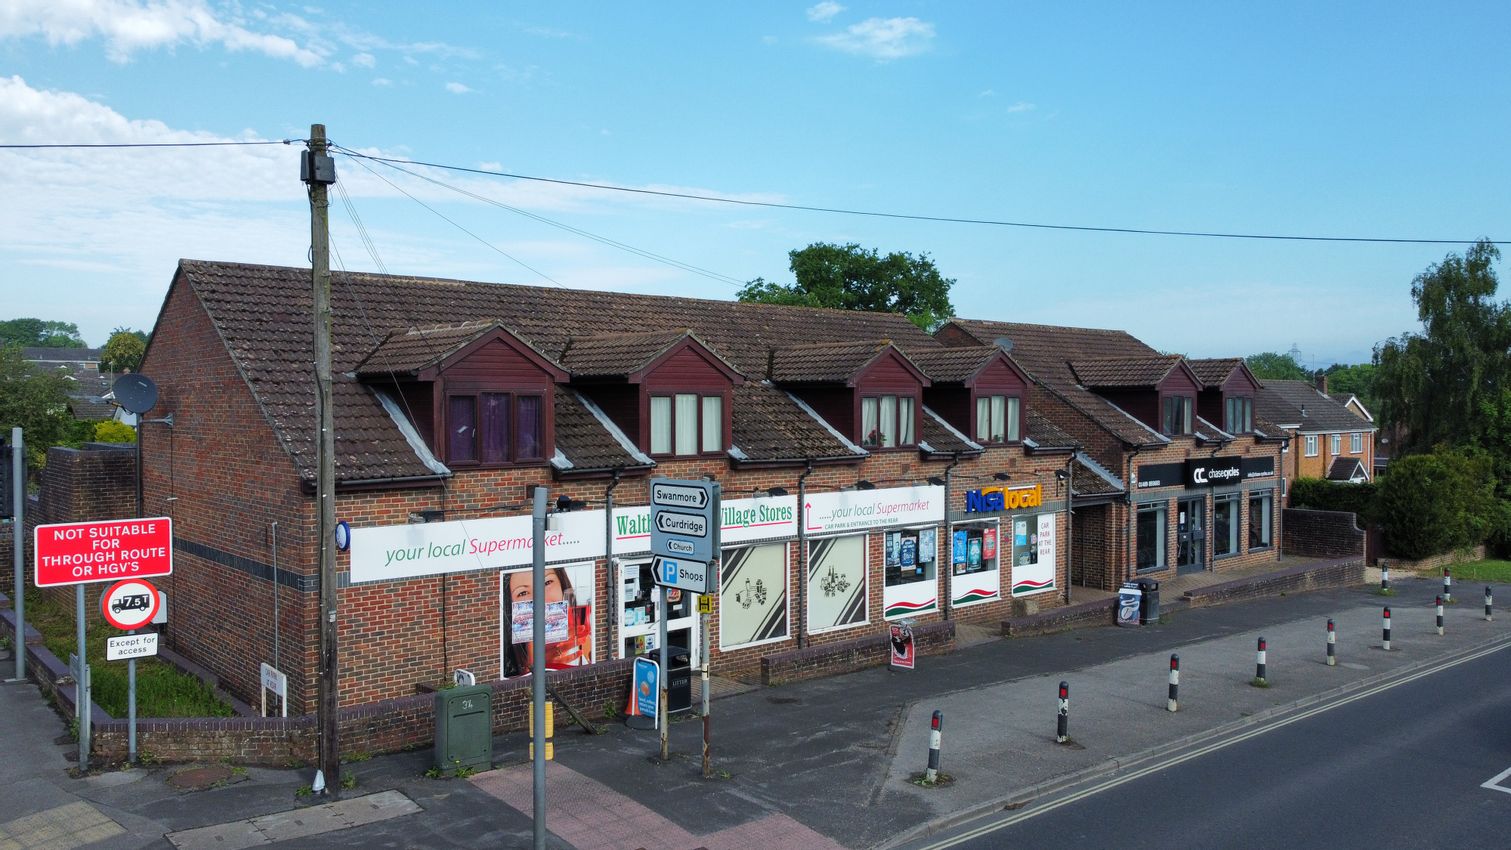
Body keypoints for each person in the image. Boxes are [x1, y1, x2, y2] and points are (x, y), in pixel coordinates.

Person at [503, 567, 592, 677]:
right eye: (523, 593)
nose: (541, 599)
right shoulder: (509, 662)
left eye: (547, 582)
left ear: (562, 585)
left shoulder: (587, 638)